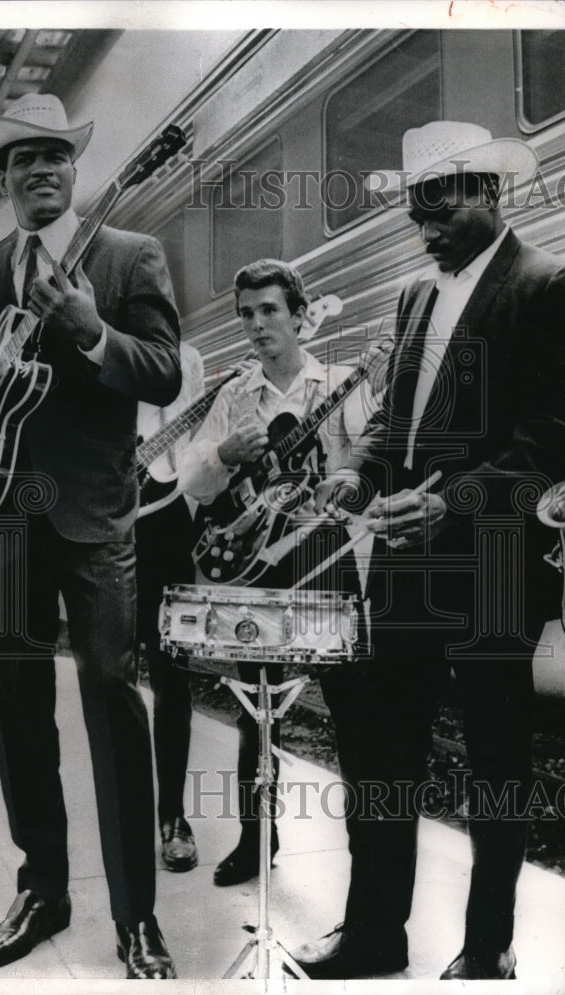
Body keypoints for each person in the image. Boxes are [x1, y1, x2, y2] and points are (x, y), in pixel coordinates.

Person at [290, 121, 565, 980]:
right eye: (416, 214)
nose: (425, 228)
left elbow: (551, 439)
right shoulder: (415, 296)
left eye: (440, 208)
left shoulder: (548, 285)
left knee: (493, 760)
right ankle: (376, 933)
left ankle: (486, 948)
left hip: (491, 565)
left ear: (494, 193)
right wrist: (354, 475)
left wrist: (449, 499)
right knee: (384, 749)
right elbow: (392, 422)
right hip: (408, 564)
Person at [0, 93, 181, 979]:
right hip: (1, 510)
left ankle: (137, 916)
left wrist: (91, 330)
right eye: (21, 159)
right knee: (18, 703)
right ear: (3, 177)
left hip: (94, 514)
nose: (40, 169)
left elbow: (166, 370)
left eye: (55, 156)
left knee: (113, 695)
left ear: (75, 170)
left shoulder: (128, 255)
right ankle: (45, 888)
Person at [179, 259, 377, 887]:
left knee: (351, 709)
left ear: (299, 314)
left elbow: (373, 475)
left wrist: (336, 495)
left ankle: (364, 856)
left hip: (323, 562)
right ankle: (254, 838)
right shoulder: (234, 393)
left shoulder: (342, 384)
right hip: (253, 569)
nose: (256, 324)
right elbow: (192, 480)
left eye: (269, 310)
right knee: (257, 707)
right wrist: (223, 453)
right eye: (246, 313)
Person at [135, 340, 204, 873]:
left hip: (164, 523)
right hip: (104, 524)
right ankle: (127, 815)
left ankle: (173, 817)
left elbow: (193, 447)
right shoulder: (89, 344)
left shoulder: (186, 356)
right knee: (109, 680)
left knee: (172, 677)